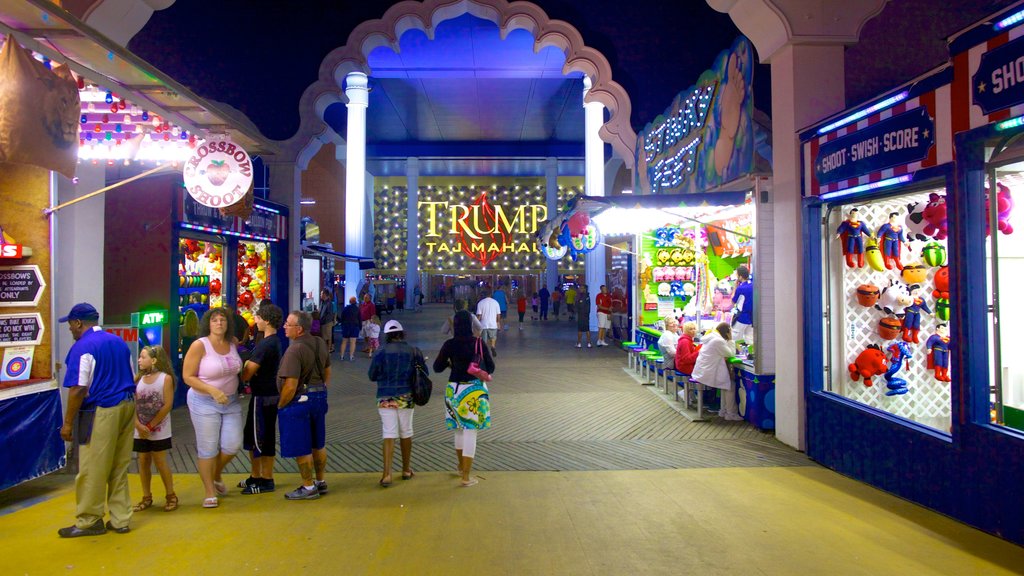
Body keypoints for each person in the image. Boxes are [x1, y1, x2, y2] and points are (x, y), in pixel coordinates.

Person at [58, 303, 137, 537]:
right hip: (127, 404)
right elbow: (132, 375)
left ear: (79, 323)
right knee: (119, 465)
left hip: (103, 410)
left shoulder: (83, 347)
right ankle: (121, 518)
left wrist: (68, 423)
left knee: (93, 467)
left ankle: (89, 519)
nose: (70, 329)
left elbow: (78, 389)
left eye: (71, 324)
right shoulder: (118, 342)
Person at [182, 307, 244, 508]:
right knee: (208, 448)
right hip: (204, 401)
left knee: (232, 444)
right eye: (215, 320)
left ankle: (216, 473)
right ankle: (209, 490)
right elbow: (188, 376)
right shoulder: (200, 346)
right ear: (208, 324)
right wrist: (211, 390)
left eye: (223, 320)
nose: (219, 323)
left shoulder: (232, 343)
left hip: (231, 401)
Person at [433, 310, 495, 487]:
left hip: (454, 389)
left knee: (459, 430)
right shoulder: (478, 343)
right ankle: (466, 477)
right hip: (474, 390)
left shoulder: (449, 344)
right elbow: (490, 367)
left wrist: (450, 363)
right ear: (470, 324)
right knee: (470, 432)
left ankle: (461, 467)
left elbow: (437, 367)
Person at [278, 311, 331, 500]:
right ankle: (320, 481)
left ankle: (308, 487)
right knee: (318, 443)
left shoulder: (294, 350)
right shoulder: (319, 343)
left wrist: (281, 404)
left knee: (302, 446)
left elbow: (290, 385)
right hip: (319, 397)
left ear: (299, 329)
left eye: (288, 324)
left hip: (300, 401)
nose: (284, 326)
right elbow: (327, 371)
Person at [368, 320, 427, 486]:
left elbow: (372, 375)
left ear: (387, 335)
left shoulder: (380, 352)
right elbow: (424, 373)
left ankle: (387, 474)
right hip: (406, 396)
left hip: (385, 397)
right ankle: (406, 470)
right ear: (402, 334)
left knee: (388, 433)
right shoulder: (413, 351)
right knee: (406, 431)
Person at [238, 303, 283, 495]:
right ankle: (256, 475)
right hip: (267, 395)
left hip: (263, 396)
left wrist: (243, 368)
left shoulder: (266, 344)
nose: (254, 320)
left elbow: (248, 373)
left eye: (257, 317)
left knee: (260, 438)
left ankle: (266, 479)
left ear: (266, 320)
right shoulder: (271, 342)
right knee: (254, 436)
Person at [132, 345, 177, 513]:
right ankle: (146, 496)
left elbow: (167, 405)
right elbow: (133, 404)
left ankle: (171, 495)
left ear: (154, 360)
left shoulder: (165, 379)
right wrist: (138, 425)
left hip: (159, 430)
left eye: (143, 357)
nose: (139, 360)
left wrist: (150, 425)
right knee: (143, 461)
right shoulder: (137, 380)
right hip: (140, 429)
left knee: (160, 461)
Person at [691, 322, 741, 421]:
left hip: (702, 370)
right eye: (730, 331)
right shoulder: (718, 341)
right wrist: (731, 340)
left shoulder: (712, 338)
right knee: (730, 386)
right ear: (727, 332)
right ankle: (730, 414)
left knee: (726, 385)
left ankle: (723, 411)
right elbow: (731, 354)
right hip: (707, 373)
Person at [731, 265, 754, 345]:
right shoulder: (754, 285)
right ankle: (751, 355)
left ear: (740, 276)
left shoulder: (740, 288)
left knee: (733, 338)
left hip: (742, 317)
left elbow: (733, 301)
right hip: (752, 318)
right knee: (750, 339)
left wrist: (735, 287)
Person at [476, 289, 501, 357]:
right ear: (491, 295)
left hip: (483, 325)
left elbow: (479, 316)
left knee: (484, 340)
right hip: (493, 324)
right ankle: (493, 346)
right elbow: (498, 314)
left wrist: (476, 324)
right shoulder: (496, 302)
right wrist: (498, 322)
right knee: (493, 337)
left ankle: (484, 352)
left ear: (484, 295)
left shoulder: (480, 303)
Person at [339, 296, 361, 362]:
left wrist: (342, 325)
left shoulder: (345, 308)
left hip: (346, 326)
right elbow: (359, 318)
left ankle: (342, 356)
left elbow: (342, 317)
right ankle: (351, 356)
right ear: (355, 302)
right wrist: (360, 327)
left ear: (350, 301)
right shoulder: (357, 309)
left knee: (344, 342)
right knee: (353, 342)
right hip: (354, 327)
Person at [318, 288, 337, 354]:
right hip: (322, 322)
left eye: (321, 294)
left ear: (324, 294)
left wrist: (325, 321)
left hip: (327, 323)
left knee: (328, 337)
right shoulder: (322, 302)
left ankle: (328, 349)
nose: (320, 295)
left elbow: (330, 314)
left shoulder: (329, 303)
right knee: (323, 337)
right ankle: (324, 349)